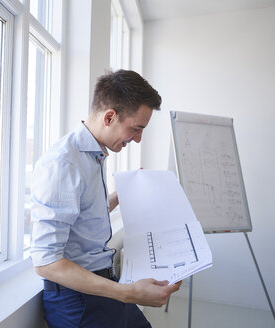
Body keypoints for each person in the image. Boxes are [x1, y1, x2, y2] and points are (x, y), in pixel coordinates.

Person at [30, 69, 181, 328]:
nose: (138, 139)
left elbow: (83, 216)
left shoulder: (92, 155)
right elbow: (46, 261)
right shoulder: (63, 164)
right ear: (110, 116)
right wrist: (129, 293)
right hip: (77, 300)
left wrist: (120, 195)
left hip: (104, 285)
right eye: (136, 129)